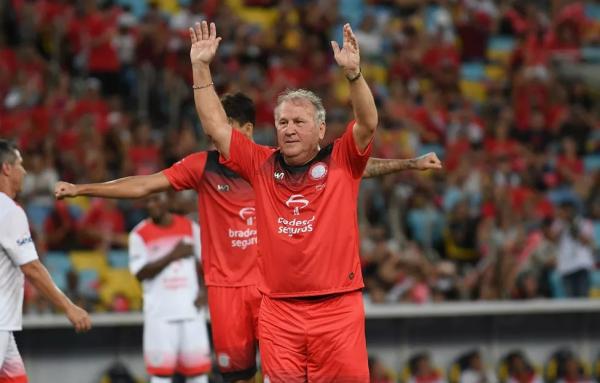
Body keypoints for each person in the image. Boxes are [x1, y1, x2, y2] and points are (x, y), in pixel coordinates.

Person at [54, 92, 440, 382]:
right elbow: (145, 186)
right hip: (231, 288)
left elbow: (352, 168)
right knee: (238, 375)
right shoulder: (206, 166)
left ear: (248, 132)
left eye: (227, 131)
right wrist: (86, 188)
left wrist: (408, 163)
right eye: (284, 122)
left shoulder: (274, 162)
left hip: (273, 285)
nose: (220, 141)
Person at [187, 20, 401, 381]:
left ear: (320, 129)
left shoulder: (342, 160)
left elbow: (367, 122)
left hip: (337, 307)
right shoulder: (259, 164)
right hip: (279, 312)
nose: (288, 128)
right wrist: (200, 66)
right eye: (283, 121)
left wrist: (354, 75)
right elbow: (216, 126)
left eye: (299, 121)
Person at [0, 139, 91, 383]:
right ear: (6, 168)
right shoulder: (8, 211)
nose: (25, 171)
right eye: (19, 164)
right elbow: (32, 268)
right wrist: (68, 307)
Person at [129, 193, 210, 383]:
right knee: (161, 375)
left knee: (198, 374)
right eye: (147, 201)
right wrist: (172, 255)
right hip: (159, 315)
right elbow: (140, 273)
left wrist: (206, 292)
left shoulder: (190, 227)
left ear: (169, 200)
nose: (151, 204)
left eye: (156, 199)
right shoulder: (139, 234)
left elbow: (208, 263)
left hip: (191, 311)